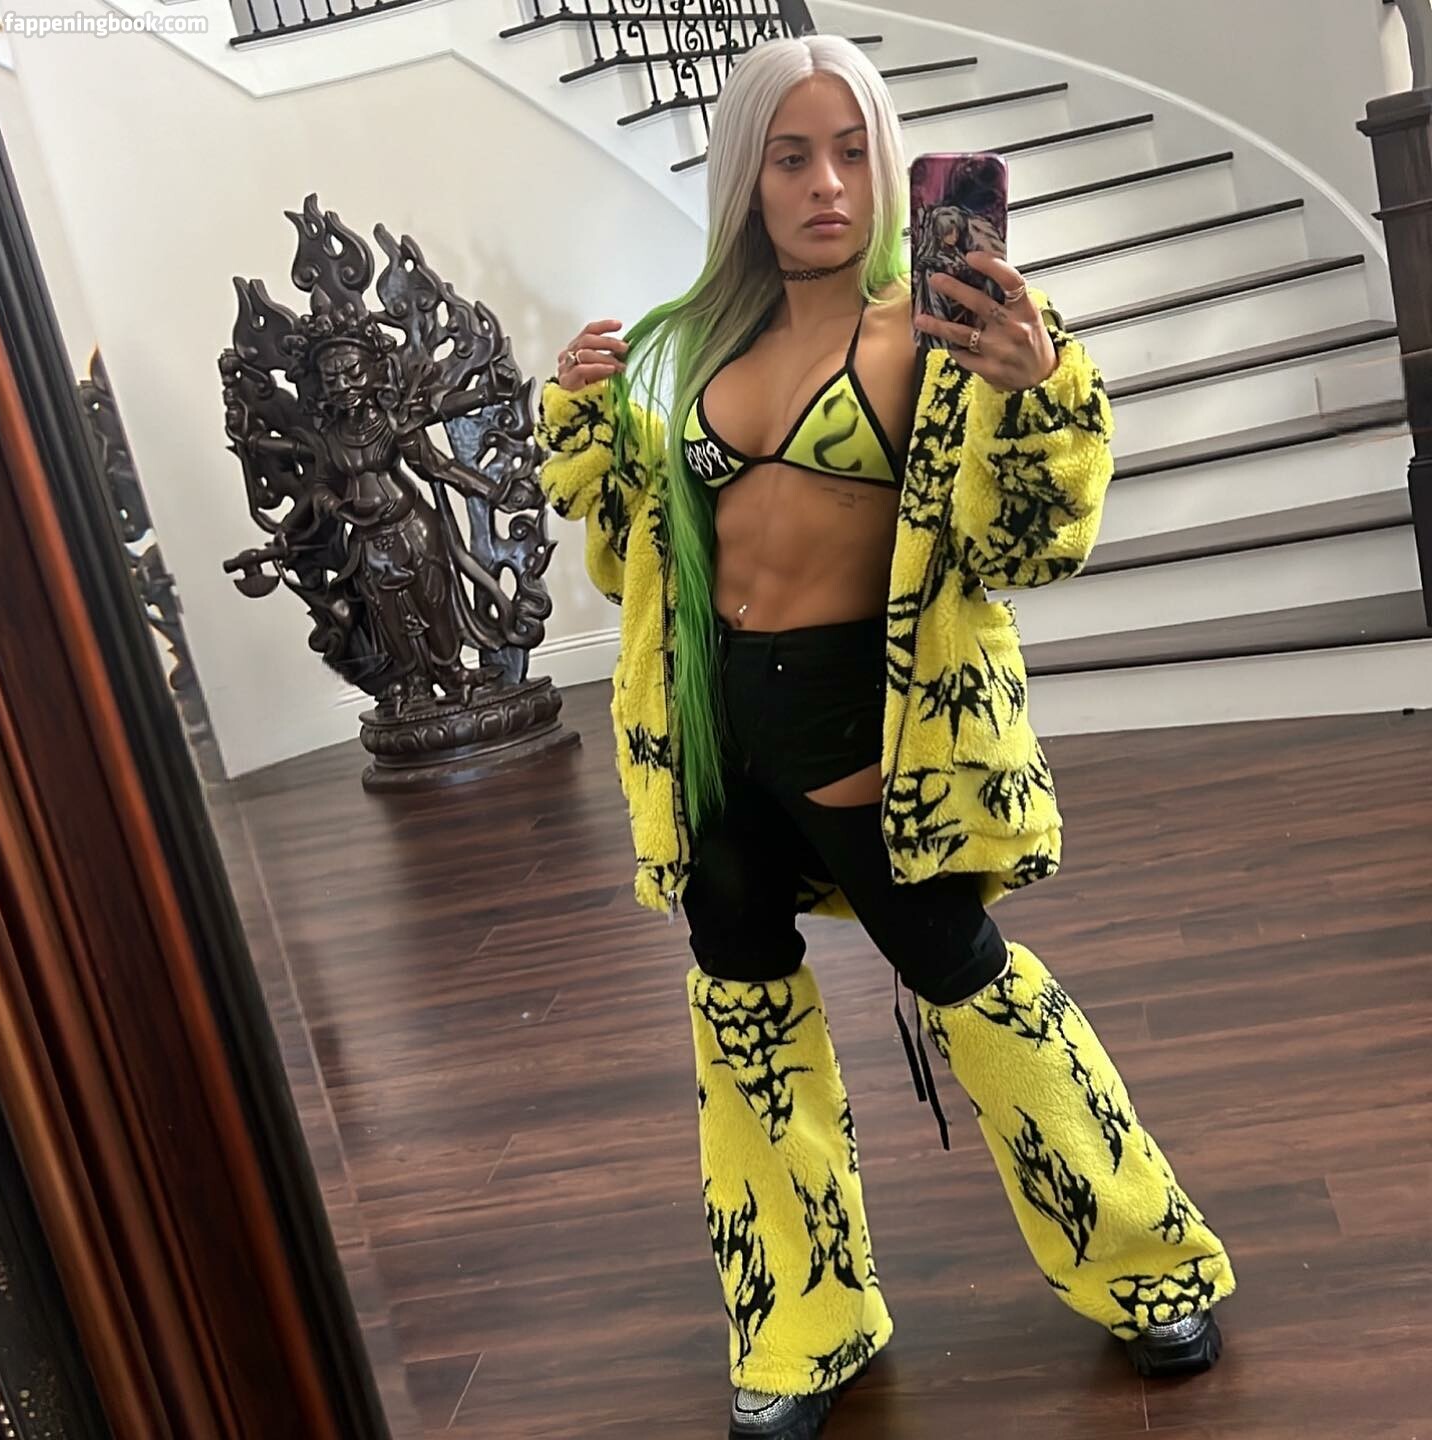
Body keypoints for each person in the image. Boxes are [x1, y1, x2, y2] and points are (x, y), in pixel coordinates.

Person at [535, 34, 1235, 1440]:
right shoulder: (700, 343)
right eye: (791, 157)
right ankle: (799, 1320)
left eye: (852, 152)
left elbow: (1028, 545)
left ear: (888, 164)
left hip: (869, 724)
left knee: (968, 981)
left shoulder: (935, 333)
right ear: (746, 179)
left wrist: (1035, 386)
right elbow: (640, 565)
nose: (828, 186)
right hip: (712, 736)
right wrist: (588, 419)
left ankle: (1148, 1262)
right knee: (742, 1010)